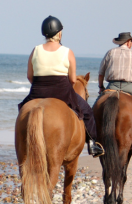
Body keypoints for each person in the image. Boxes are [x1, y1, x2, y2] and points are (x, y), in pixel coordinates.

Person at [18, 16, 104, 157]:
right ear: (59, 33)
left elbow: (29, 76)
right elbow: (72, 79)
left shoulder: (35, 50)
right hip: (62, 91)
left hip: (37, 91)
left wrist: (41, 85)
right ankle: (93, 144)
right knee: (87, 111)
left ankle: (22, 141)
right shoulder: (67, 52)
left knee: (22, 111)